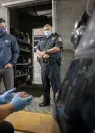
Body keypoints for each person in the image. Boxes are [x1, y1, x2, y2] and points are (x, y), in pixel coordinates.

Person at [54, 0, 95, 132]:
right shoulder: (85, 23)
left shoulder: (56, 37)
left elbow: (57, 48)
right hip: (81, 67)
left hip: (55, 64)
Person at [36, 24, 63, 107]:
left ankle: (58, 102)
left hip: (53, 65)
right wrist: (41, 54)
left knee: (56, 84)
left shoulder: (56, 37)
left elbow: (57, 48)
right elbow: (36, 49)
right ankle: (46, 100)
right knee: (45, 84)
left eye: (48, 29)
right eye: (45, 30)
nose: (46, 31)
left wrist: (45, 52)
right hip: (44, 65)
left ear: (51, 29)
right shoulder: (41, 39)